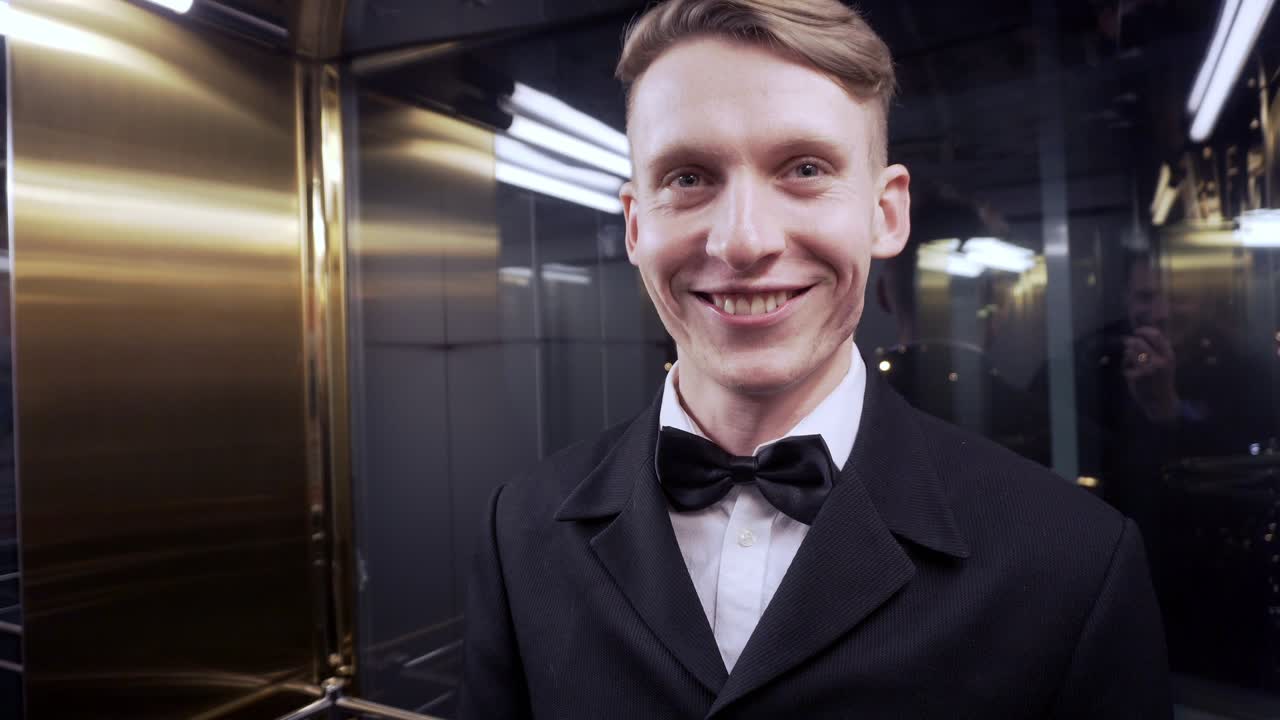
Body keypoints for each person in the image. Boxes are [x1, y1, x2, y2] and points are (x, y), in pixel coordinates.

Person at [458, 1, 1170, 717]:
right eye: (687, 178)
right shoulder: (521, 528)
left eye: (803, 168)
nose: (743, 242)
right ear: (637, 227)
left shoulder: (1073, 563)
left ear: (885, 213)